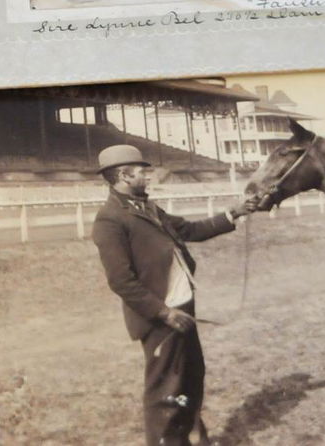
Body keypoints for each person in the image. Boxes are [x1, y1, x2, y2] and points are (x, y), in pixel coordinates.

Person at [92, 145, 250, 446]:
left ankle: (193, 437)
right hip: (161, 318)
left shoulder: (147, 208)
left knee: (191, 378)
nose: (147, 176)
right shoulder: (110, 220)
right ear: (124, 175)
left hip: (183, 307)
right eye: (142, 171)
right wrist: (165, 313)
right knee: (165, 389)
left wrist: (235, 212)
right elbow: (121, 281)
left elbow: (190, 229)